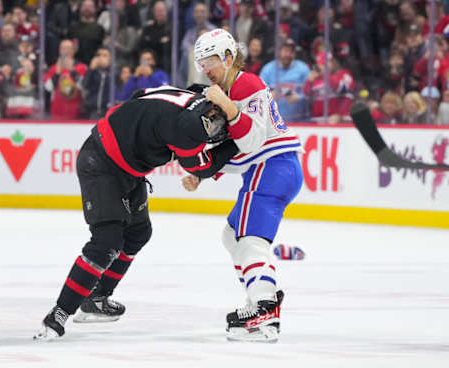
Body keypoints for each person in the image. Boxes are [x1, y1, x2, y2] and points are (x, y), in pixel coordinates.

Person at [34, 86, 238, 340]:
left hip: (126, 166)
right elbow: (203, 167)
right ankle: (58, 315)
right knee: (107, 241)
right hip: (101, 164)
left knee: (138, 232)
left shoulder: (193, 95)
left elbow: (140, 93)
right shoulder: (189, 127)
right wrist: (236, 146)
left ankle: (97, 298)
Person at [183, 29, 304, 342]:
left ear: (227, 57)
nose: (205, 69)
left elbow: (251, 140)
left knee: (249, 240)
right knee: (231, 235)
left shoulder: (245, 84)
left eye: (209, 61)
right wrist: (203, 173)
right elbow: (235, 145)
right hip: (270, 170)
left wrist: (227, 104)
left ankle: (265, 312)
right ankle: (257, 300)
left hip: (272, 168)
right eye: (200, 64)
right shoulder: (233, 88)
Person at [259, 38, 310, 122]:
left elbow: (311, 94)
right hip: (274, 123)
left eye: (291, 52)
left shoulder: (303, 69)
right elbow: (258, 94)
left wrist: (300, 98)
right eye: (285, 51)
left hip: (300, 121)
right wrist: (269, 96)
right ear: (278, 52)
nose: (288, 54)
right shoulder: (267, 69)